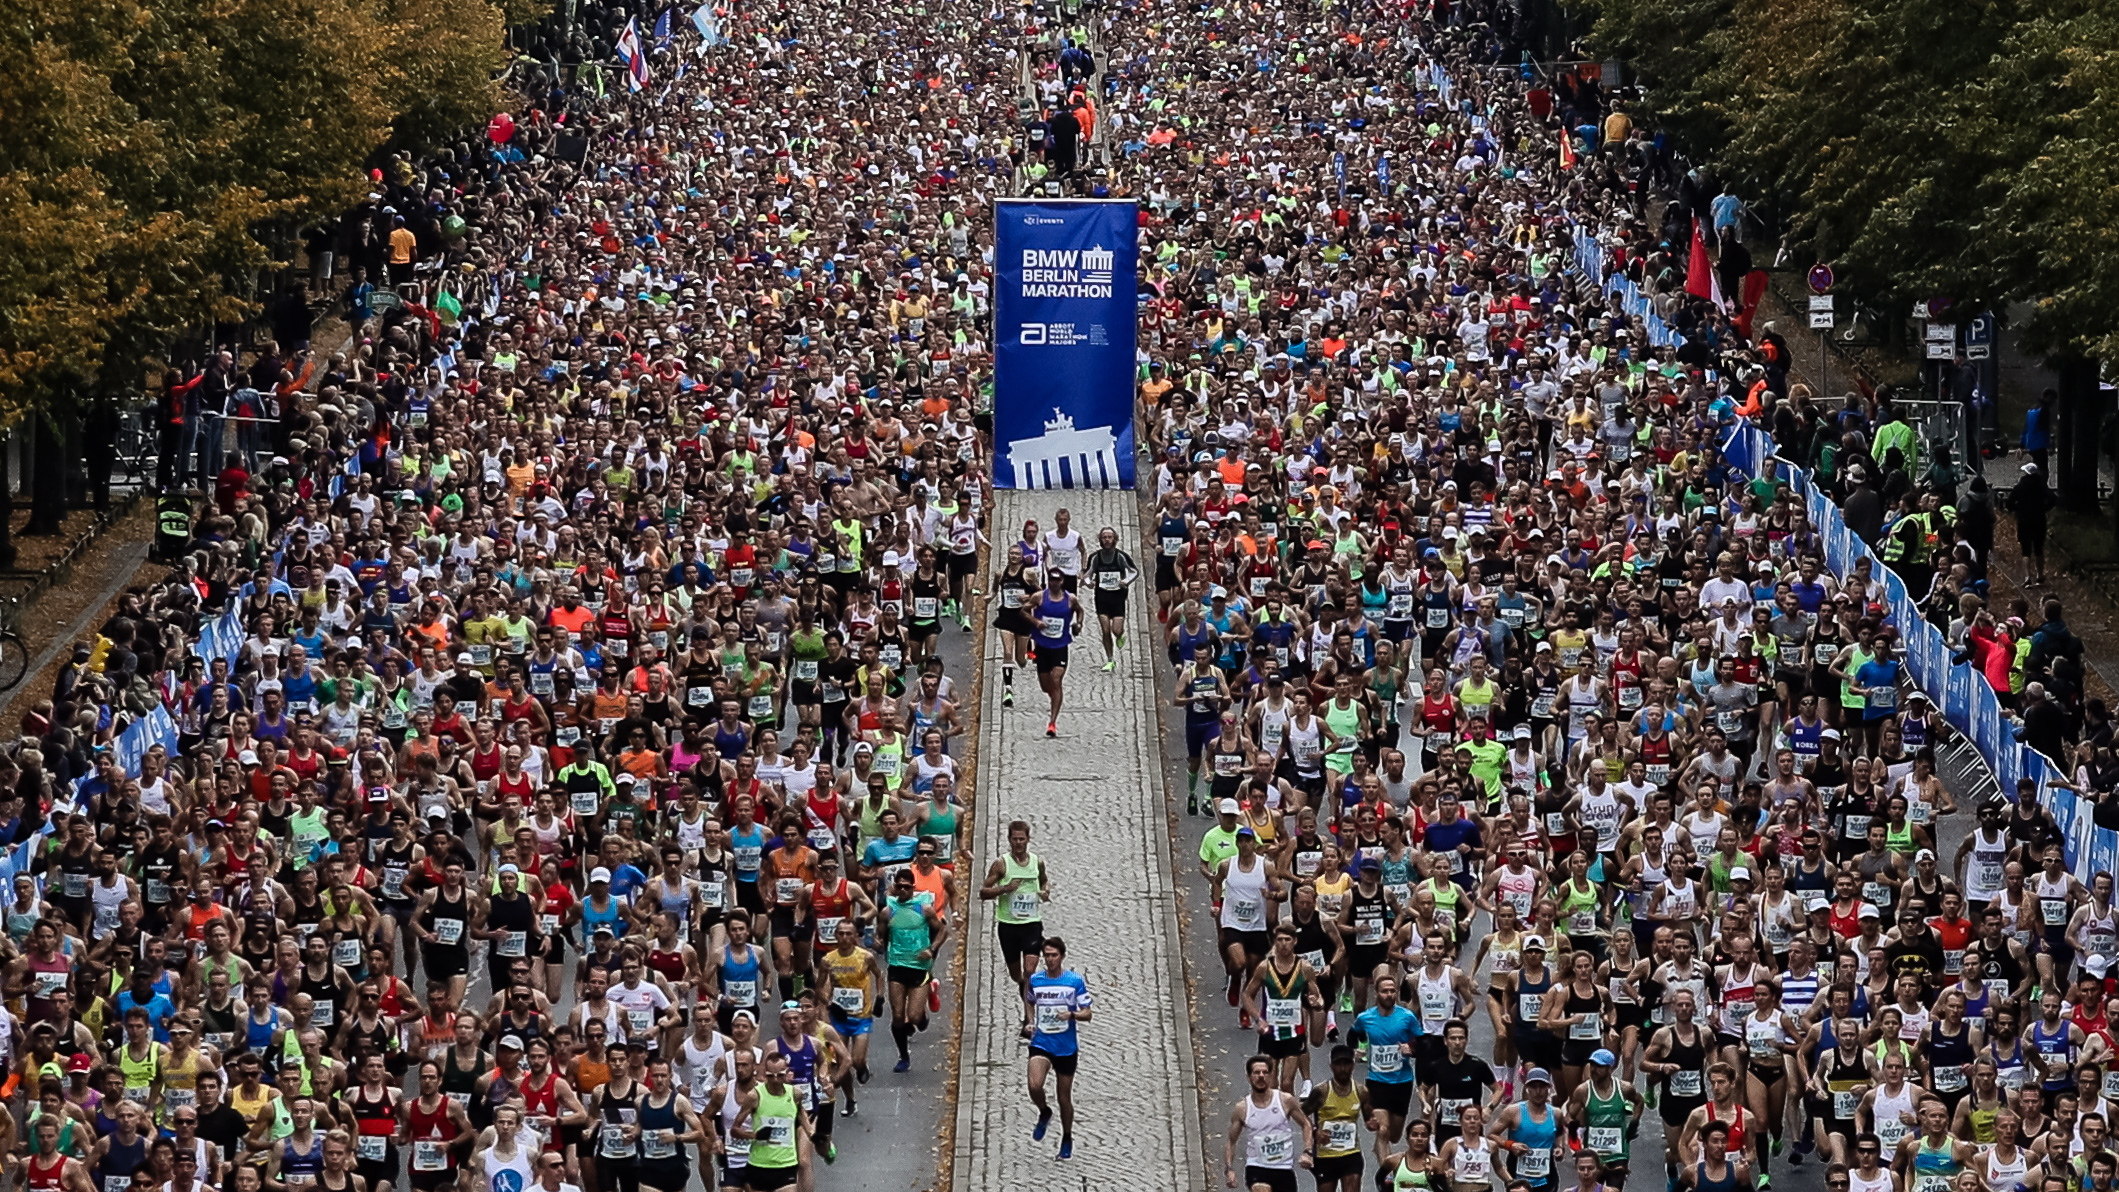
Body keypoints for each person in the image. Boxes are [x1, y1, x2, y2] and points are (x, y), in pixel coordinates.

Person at [1024, 937, 1093, 1160]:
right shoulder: (1036, 979)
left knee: (1064, 1097)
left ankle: (1066, 1136)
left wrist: (1072, 1014)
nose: (1050, 960)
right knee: (1034, 1085)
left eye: (1054, 955)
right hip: (1042, 1042)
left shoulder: (1074, 981)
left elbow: (1088, 1012)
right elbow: (1029, 1000)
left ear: (1062, 956)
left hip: (1065, 1046)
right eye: (1047, 956)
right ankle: (1044, 1111)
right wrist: (1030, 1020)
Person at [1225, 1054, 1314, 1192]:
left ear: (1271, 1076)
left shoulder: (1285, 1100)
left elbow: (1306, 1124)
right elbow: (1231, 1141)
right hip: (1256, 1167)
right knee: (1261, 1189)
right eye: (1256, 1072)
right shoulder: (1242, 1108)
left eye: (1265, 1072)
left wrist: (1307, 1151)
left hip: (1283, 1167)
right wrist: (1229, 1169)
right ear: (1249, 1077)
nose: (1261, 1076)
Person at [1028, 568, 1084, 737]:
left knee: (1056, 678)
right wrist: (1036, 622)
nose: (1054, 583)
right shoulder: (1039, 597)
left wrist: (1078, 625)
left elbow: (1080, 611)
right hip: (1043, 647)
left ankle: (1052, 722)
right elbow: (1023, 611)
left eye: (1057, 580)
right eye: (1051, 580)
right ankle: (1055, 697)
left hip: (1060, 646)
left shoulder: (1070, 599)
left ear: (1062, 581)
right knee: (1046, 687)